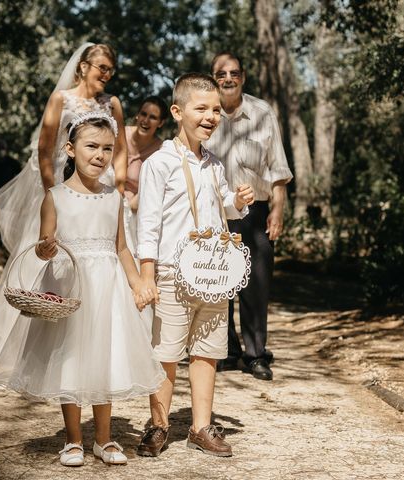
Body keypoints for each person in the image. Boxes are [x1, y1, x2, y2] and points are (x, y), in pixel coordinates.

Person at [0, 113, 164, 467]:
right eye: (91, 147)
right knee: (70, 358)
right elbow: (44, 245)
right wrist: (44, 250)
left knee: (105, 356)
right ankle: (72, 440)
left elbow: (121, 248)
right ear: (71, 149)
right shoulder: (55, 197)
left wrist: (137, 284)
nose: (99, 155)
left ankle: (103, 438)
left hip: (107, 291)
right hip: (70, 287)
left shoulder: (113, 198)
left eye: (107, 149)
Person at [0, 43, 128, 359]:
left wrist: (119, 184)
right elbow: (45, 151)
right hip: (64, 186)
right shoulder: (61, 100)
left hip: (103, 191)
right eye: (102, 67)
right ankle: (41, 339)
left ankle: (103, 335)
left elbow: (122, 149)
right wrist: (54, 194)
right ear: (83, 66)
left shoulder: (112, 103)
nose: (107, 74)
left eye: (111, 69)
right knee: (52, 253)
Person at [135, 73, 254, 457]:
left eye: (216, 109)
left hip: (213, 273)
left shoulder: (214, 164)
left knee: (207, 351)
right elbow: (148, 224)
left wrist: (239, 201)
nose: (211, 116)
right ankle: (158, 424)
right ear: (177, 111)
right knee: (166, 354)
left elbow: (225, 210)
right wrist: (147, 275)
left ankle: (201, 427)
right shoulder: (160, 163)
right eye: (201, 108)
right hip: (172, 272)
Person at [204, 52, 293, 381]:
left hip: (255, 211)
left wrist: (278, 209)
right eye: (220, 73)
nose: (227, 78)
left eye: (234, 73)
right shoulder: (204, 112)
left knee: (256, 282)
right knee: (216, 282)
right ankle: (227, 350)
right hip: (212, 212)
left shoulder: (262, 112)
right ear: (213, 77)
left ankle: (256, 355)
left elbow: (277, 168)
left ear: (243, 76)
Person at [123, 96, 167, 254]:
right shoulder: (120, 134)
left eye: (153, 117)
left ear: (161, 123)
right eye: (143, 114)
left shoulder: (160, 149)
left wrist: (130, 205)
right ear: (137, 115)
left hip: (136, 208)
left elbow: (155, 186)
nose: (146, 121)